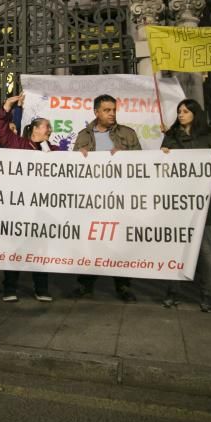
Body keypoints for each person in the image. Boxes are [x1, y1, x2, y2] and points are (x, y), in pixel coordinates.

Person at [73, 93, 141, 302]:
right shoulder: (84, 135)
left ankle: (123, 286)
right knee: (90, 241)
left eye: (113, 110)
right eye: (107, 110)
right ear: (96, 112)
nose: (112, 114)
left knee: (119, 242)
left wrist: (125, 156)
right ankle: (86, 285)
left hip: (119, 198)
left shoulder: (128, 134)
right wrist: (79, 156)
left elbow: (141, 163)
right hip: (91, 200)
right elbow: (72, 167)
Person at [0, 92, 57, 302]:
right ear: (35, 129)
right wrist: (7, 107)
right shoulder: (18, 144)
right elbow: (0, 130)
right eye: (47, 126)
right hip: (19, 209)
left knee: (41, 249)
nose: (50, 130)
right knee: (15, 247)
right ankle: (10, 288)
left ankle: (42, 288)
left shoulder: (54, 150)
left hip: (42, 210)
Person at [160, 98, 211, 313]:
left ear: (195, 113)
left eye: (185, 111)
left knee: (204, 250)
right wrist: (163, 156)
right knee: (174, 247)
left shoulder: (210, 136)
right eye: (179, 111)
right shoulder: (170, 137)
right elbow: (161, 168)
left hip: (202, 203)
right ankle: (172, 292)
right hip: (176, 202)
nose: (181, 114)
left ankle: (208, 295)